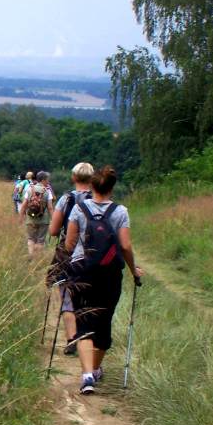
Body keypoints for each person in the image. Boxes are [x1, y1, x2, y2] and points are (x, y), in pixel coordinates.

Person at [64, 165, 143, 395]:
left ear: (92, 186)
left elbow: (69, 244)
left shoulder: (79, 208)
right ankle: (95, 369)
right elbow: (126, 246)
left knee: (84, 322)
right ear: (111, 188)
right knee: (103, 322)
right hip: (109, 275)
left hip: (82, 271)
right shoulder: (121, 211)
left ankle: (87, 375)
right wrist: (133, 271)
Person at [48, 162, 94, 355]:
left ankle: (72, 337)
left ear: (73, 178)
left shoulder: (66, 200)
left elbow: (53, 231)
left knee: (67, 295)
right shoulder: (97, 198)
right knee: (88, 296)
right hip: (93, 254)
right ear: (92, 179)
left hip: (68, 253)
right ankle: (87, 336)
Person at [19, 170, 54, 255]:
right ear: (43, 180)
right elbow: (50, 207)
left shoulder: (30, 189)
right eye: (47, 180)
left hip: (30, 218)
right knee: (40, 240)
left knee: (31, 239)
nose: (48, 182)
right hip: (43, 220)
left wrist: (21, 217)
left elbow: (24, 205)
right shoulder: (47, 191)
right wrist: (53, 219)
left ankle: (31, 256)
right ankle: (36, 259)